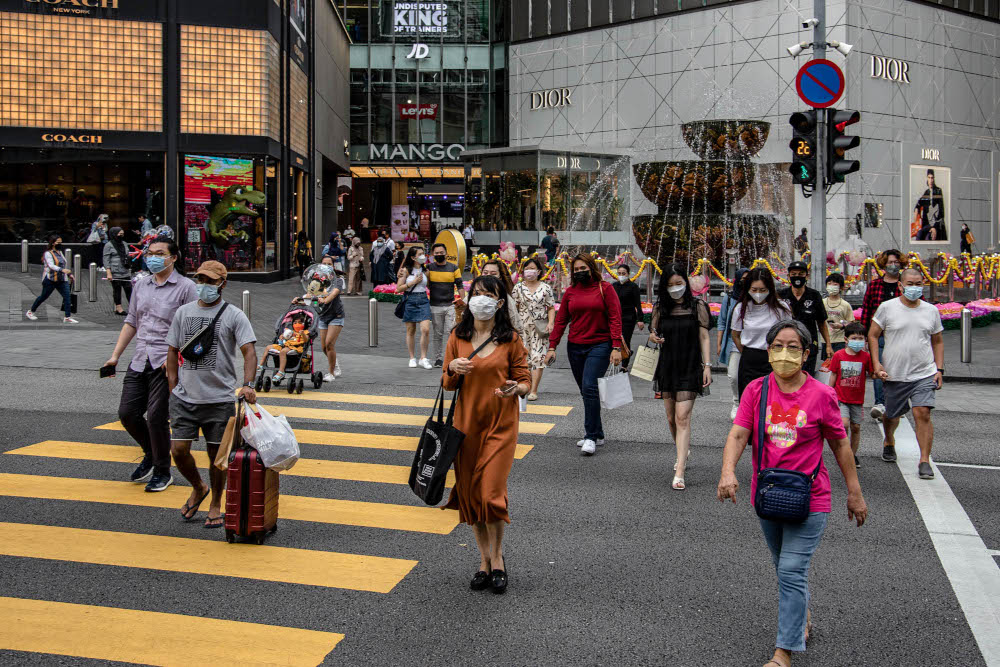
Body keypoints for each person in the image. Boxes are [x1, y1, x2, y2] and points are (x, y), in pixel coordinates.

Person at [717, 320, 867, 667]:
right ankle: (801, 618)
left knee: (791, 570)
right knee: (783, 566)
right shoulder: (757, 390)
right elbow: (738, 435)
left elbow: (840, 445)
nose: (785, 353)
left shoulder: (821, 394)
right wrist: (727, 472)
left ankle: (784, 651)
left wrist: (854, 492)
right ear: (768, 351)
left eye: (793, 347)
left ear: (806, 353)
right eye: (778, 346)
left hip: (811, 496)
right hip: (768, 494)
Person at [442, 275, 530, 594]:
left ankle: (498, 559)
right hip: (466, 426)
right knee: (471, 494)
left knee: (491, 493)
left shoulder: (511, 339)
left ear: (499, 302)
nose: (481, 299)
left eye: (488, 295)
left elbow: (524, 380)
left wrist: (515, 388)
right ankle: (483, 560)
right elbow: (446, 382)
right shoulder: (458, 335)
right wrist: (452, 368)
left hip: (501, 424)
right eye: (476, 293)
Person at [166, 260, 257, 528]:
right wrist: (172, 387)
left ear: (222, 284)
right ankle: (198, 486)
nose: (203, 285)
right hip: (185, 398)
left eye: (209, 281)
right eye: (200, 280)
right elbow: (172, 350)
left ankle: (217, 502)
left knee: (218, 459)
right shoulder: (183, 313)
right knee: (179, 450)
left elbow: (249, 351)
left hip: (220, 400)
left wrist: (248, 384)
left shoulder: (234, 315)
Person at [102, 237, 197, 492]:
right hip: (140, 357)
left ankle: (163, 471)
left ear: (173, 257)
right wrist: (115, 356)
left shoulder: (187, 288)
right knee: (128, 414)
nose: (153, 257)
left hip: (166, 362)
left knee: (156, 417)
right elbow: (132, 321)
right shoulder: (141, 284)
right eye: (150, 253)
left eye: (159, 253)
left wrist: (177, 360)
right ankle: (150, 454)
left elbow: (192, 329)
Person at [544, 253, 624, 456]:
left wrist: (616, 346)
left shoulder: (605, 288)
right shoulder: (570, 292)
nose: (579, 272)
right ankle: (598, 432)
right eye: (576, 270)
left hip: (600, 345)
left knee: (589, 387)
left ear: (592, 268)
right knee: (586, 390)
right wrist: (552, 346)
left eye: (583, 269)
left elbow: (615, 317)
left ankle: (590, 437)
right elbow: (561, 321)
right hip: (575, 347)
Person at [868, 268, 943, 478]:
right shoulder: (887, 308)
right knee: (892, 415)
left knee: (923, 413)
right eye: (910, 284)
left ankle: (924, 460)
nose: (914, 287)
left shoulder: (931, 311)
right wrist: (877, 364)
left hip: (924, 372)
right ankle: (889, 439)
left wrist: (939, 369)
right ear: (900, 285)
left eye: (918, 283)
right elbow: (873, 335)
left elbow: (937, 341)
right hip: (894, 373)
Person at [646, 264, 712, 490]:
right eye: (671, 285)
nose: (676, 288)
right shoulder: (660, 308)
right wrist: (654, 338)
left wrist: (707, 366)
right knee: (672, 419)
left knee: (683, 417)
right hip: (667, 365)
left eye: (679, 283)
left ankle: (680, 470)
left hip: (690, 365)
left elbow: (704, 336)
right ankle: (683, 450)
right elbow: (653, 332)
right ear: (664, 286)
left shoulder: (697, 306)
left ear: (686, 283)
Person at [731, 268, 792, 398]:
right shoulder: (741, 308)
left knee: (772, 398)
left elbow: (790, 332)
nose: (758, 293)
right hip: (749, 357)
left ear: (770, 288)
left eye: (762, 290)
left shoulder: (781, 308)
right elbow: (735, 334)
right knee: (749, 398)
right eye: (754, 290)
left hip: (774, 358)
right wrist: (745, 351)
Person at [859, 249, 904, 421]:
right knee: (878, 366)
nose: (893, 265)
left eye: (896, 262)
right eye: (890, 262)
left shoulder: (904, 285)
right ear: (884, 265)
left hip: (900, 335)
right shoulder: (875, 286)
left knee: (898, 368)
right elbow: (866, 311)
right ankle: (880, 403)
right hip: (878, 335)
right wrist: (863, 335)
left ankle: (895, 401)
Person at [828, 323, 872, 468]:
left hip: (857, 399)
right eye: (854, 338)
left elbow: (872, 373)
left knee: (856, 427)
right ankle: (843, 452)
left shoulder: (865, 357)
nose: (858, 341)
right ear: (846, 339)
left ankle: (852, 455)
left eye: (861, 338)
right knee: (844, 424)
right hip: (841, 397)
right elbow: (833, 374)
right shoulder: (839, 355)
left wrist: (881, 373)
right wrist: (829, 392)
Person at [511, 256, 556, 401]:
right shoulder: (518, 287)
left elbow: (550, 307)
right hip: (521, 327)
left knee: (539, 357)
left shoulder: (545, 288)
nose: (529, 271)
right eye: (527, 269)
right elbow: (514, 307)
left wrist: (551, 323)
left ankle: (533, 390)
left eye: (532, 269)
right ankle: (525, 385)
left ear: (538, 271)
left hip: (539, 328)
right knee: (524, 358)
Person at [778, 261, 833, 374]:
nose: (797, 277)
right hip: (787, 346)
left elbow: (821, 322)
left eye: (801, 274)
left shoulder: (814, 295)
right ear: (788, 276)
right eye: (793, 274)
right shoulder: (781, 295)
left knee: (807, 377)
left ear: (806, 276)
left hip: (809, 345)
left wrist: (828, 345)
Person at [428, 243, 466, 368]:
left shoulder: (454, 268)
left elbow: (460, 285)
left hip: (450, 305)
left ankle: (452, 357)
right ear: (433, 255)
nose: (439, 255)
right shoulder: (429, 268)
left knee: (452, 332)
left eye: (441, 252)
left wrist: (463, 301)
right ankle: (438, 359)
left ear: (446, 253)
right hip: (435, 305)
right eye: (437, 253)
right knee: (437, 334)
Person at [718, 267, 749, 420]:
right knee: (733, 375)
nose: (745, 282)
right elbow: (722, 321)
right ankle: (736, 402)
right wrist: (719, 344)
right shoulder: (730, 297)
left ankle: (749, 404)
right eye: (742, 279)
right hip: (733, 341)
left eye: (747, 279)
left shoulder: (755, 296)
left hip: (752, 341)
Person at [26, 234, 77, 324]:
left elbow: (63, 265)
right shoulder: (48, 253)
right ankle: (30, 312)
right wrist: (63, 270)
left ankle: (67, 317)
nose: (60, 244)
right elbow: (51, 265)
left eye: (61, 242)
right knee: (43, 297)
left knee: (67, 296)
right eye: (58, 242)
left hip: (61, 279)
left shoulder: (60, 252)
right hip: (50, 279)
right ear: (53, 243)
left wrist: (69, 274)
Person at [397, 246, 433, 369]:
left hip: (423, 299)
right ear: (413, 257)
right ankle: (412, 357)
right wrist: (413, 282)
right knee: (411, 330)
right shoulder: (406, 270)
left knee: (425, 329)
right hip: (410, 299)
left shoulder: (426, 271)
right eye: (420, 254)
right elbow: (399, 288)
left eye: (424, 253)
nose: (423, 256)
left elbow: (429, 285)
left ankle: (423, 357)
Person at [314, 257, 346, 381]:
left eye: (329, 264)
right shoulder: (317, 280)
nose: (326, 266)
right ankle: (336, 365)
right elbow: (310, 293)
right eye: (324, 264)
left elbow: (333, 294)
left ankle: (331, 373)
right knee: (324, 347)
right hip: (323, 316)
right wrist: (299, 299)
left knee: (329, 344)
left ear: (333, 266)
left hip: (336, 316)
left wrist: (324, 299)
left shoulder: (338, 280)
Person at [612, 264, 645, 370]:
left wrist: (640, 319)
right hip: (616, 317)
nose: (621, 275)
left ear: (628, 274)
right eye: (619, 273)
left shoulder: (633, 287)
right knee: (615, 340)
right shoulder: (614, 286)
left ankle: (624, 366)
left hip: (628, 318)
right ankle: (627, 353)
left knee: (625, 340)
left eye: (624, 273)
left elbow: (637, 304)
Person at [262, 313, 309, 385]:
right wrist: (282, 337)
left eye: (300, 323)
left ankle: (281, 371)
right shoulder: (290, 332)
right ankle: (261, 364)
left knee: (283, 352)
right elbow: (283, 336)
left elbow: (306, 340)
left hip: (295, 347)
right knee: (268, 347)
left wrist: (302, 333)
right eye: (295, 322)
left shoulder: (305, 332)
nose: (297, 324)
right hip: (284, 345)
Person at [481, 259, 519, 329]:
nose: (488, 276)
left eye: (493, 274)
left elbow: (516, 326)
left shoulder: (507, 299)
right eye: (485, 273)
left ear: (500, 277)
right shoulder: (473, 294)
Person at [822, 272, 853, 357]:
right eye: (829, 284)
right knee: (827, 366)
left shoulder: (845, 305)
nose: (831, 286)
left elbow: (851, 322)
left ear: (841, 287)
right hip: (825, 339)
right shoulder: (822, 303)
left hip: (840, 340)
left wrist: (842, 325)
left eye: (835, 284)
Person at [103, 226, 133, 315]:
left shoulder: (124, 243)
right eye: (119, 234)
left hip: (125, 269)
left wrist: (131, 257)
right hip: (115, 271)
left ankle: (132, 307)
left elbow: (127, 254)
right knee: (117, 289)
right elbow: (106, 259)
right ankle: (118, 308)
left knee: (129, 289)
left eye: (122, 234)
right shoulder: (108, 245)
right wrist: (108, 272)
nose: (121, 236)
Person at [914, 169, 946, 241]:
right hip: (928, 224)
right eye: (929, 178)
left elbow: (941, 211)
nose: (931, 180)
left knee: (928, 238)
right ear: (927, 178)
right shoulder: (927, 192)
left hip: (936, 224)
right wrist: (916, 208)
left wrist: (934, 227)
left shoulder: (938, 191)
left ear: (934, 179)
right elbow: (919, 202)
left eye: (932, 178)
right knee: (919, 235)